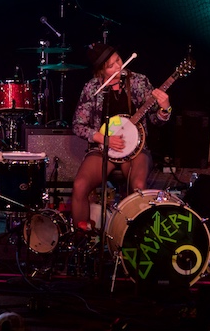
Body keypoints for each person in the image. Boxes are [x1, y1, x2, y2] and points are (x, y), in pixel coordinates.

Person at [70, 43, 171, 231]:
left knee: (138, 186)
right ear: (101, 71)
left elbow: (157, 120)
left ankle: (133, 240)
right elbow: (77, 125)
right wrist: (103, 139)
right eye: (111, 66)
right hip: (103, 150)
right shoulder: (92, 88)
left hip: (136, 150)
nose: (118, 67)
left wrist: (165, 108)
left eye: (118, 60)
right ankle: (81, 242)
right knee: (80, 185)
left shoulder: (139, 82)